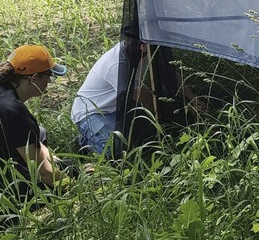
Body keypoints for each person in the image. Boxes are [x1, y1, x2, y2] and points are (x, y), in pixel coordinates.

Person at [71, 35, 206, 154]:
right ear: (126, 39)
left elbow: (169, 75)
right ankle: (85, 144)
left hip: (119, 106)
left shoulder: (148, 50)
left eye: (145, 44)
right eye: (139, 45)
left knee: (143, 137)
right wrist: (182, 109)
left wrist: (193, 99)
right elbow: (146, 99)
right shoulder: (118, 64)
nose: (143, 49)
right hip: (92, 112)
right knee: (115, 151)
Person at [0, 45, 67, 196]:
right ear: (34, 78)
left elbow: (30, 139)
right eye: (49, 77)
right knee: (53, 181)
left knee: (40, 132)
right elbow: (44, 173)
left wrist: (53, 160)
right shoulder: (13, 111)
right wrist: (74, 186)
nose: (49, 83)